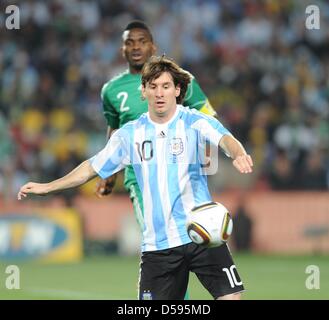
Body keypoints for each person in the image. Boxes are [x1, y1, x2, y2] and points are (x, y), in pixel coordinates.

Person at [18, 56, 253, 300]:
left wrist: (239, 154)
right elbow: (91, 167)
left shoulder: (194, 121)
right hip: (158, 246)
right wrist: (48, 187)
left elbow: (225, 139)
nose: (159, 93)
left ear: (177, 90)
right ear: (143, 91)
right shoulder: (130, 134)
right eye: (153, 87)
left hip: (202, 233)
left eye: (165, 86)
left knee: (232, 298)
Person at [96, 20, 216, 299]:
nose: (136, 47)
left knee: (191, 241)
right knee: (162, 238)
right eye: (130, 41)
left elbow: (207, 117)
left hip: (182, 177)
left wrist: (205, 160)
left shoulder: (181, 79)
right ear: (122, 48)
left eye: (142, 41)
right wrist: (108, 173)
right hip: (141, 180)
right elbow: (115, 133)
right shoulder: (111, 91)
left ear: (153, 46)